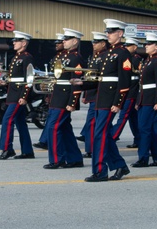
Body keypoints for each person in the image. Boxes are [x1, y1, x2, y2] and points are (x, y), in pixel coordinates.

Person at [84, 19, 133, 182]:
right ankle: (120, 165)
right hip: (101, 100)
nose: (108, 35)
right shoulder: (106, 54)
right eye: (107, 32)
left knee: (99, 134)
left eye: (111, 32)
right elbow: (97, 80)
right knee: (103, 134)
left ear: (120, 33)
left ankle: (100, 171)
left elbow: (125, 81)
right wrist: (79, 84)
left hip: (110, 101)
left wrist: (118, 103)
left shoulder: (123, 53)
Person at [43, 29, 85, 170]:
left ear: (75, 41)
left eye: (67, 39)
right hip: (57, 96)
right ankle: (75, 158)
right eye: (64, 39)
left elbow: (76, 81)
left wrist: (72, 102)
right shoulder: (62, 56)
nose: (64, 41)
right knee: (65, 129)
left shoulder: (76, 58)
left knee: (53, 127)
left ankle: (57, 159)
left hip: (65, 98)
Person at [0, 31, 36, 160]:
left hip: (19, 95)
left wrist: (24, 96)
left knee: (7, 120)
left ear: (24, 43)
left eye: (17, 40)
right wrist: (5, 82)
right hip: (12, 94)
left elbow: (28, 79)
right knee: (20, 123)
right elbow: (15, 78)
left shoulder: (27, 57)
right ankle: (27, 151)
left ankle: (7, 149)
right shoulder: (15, 58)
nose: (14, 42)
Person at [132, 32, 157, 168]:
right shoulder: (148, 60)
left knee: (144, 129)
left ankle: (143, 158)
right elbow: (142, 83)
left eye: (149, 44)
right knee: (146, 129)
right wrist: (138, 101)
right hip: (144, 98)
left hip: (151, 99)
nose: (146, 46)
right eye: (146, 44)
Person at [78, 32, 108, 158]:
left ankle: (92, 149)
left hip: (100, 94)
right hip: (92, 94)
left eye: (96, 42)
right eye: (93, 42)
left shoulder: (105, 57)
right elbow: (89, 77)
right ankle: (91, 149)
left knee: (95, 123)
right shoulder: (93, 57)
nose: (94, 45)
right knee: (93, 123)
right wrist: (85, 94)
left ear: (103, 43)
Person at [111, 36, 141, 148]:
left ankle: (113, 136)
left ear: (135, 47)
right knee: (133, 119)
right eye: (126, 45)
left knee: (123, 117)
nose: (126, 47)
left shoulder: (136, 59)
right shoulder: (123, 56)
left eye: (129, 46)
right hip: (126, 91)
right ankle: (138, 139)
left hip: (131, 92)